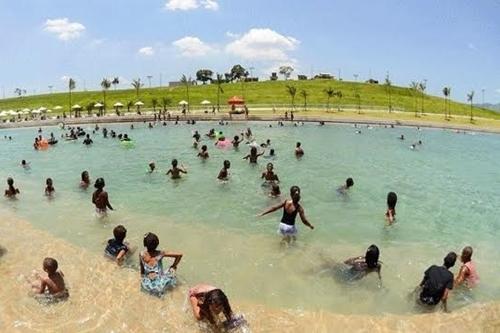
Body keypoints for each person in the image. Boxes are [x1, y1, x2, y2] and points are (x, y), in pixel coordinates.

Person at [139, 232, 183, 297]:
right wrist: (174, 265)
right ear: (157, 244)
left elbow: (142, 271)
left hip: (146, 284)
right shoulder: (160, 254)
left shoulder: (141, 254)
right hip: (159, 284)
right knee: (171, 270)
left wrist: (142, 278)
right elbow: (179, 255)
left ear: (145, 244)